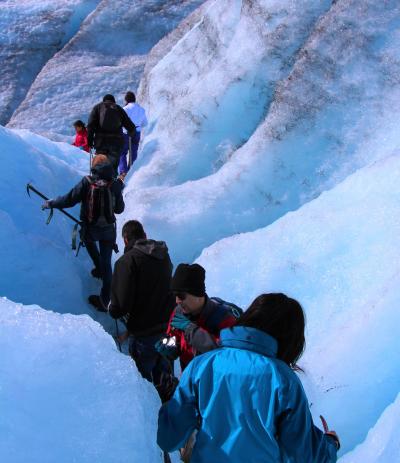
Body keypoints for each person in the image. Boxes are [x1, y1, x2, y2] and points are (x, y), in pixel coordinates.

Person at [157, 293, 340, 463]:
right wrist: (330, 444)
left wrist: (170, 401)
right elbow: (303, 454)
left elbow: (169, 439)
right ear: (290, 340)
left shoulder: (201, 365)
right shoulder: (284, 379)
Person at [42, 155, 124, 310]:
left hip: (90, 228)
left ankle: (98, 267)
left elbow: (69, 200)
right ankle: (106, 298)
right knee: (107, 263)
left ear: (94, 166)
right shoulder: (114, 184)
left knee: (88, 241)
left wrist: (51, 203)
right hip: (108, 230)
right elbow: (120, 209)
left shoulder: (87, 182)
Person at [108, 220, 175, 396]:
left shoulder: (126, 262)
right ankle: (171, 405)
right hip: (169, 330)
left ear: (125, 239)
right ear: (144, 235)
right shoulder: (163, 255)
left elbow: (120, 306)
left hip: (144, 335)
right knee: (167, 378)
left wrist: (112, 309)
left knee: (144, 384)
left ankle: (153, 410)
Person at [156, 263, 238, 371]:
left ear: (198, 294)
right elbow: (174, 338)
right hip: (190, 375)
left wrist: (192, 331)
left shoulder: (224, 318)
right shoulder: (178, 312)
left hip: (214, 377)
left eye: (181, 296)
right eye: (175, 295)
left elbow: (228, 355)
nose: (177, 301)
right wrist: (170, 348)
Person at [87, 94, 136, 174]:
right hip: (116, 144)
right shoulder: (118, 108)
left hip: (101, 143)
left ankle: (98, 180)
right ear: (114, 101)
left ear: (103, 101)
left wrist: (90, 141)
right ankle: (112, 180)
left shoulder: (97, 108)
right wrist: (131, 133)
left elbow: (90, 126)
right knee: (113, 166)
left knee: (100, 164)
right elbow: (130, 125)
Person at [118, 91, 148, 177]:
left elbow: (120, 122)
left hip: (126, 132)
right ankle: (132, 171)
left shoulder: (125, 109)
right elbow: (145, 123)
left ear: (126, 100)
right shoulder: (141, 109)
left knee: (122, 152)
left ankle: (123, 172)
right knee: (133, 152)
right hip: (137, 132)